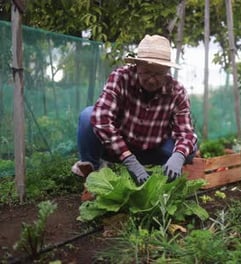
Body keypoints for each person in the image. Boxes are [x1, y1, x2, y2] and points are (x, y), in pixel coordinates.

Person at [71, 34, 198, 201]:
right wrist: (130, 160)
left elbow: (186, 133)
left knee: (189, 150)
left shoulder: (177, 91)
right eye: (146, 72)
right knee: (88, 116)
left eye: (158, 74)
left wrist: (178, 156)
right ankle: (92, 175)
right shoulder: (121, 78)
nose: (152, 80)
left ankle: (167, 181)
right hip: (119, 147)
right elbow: (102, 118)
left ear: (168, 71)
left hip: (153, 148)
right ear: (137, 66)